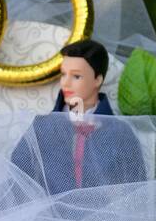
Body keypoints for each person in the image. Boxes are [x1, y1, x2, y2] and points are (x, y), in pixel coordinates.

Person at [10, 39, 147, 193]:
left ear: (97, 80)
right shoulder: (42, 127)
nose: (65, 83)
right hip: (49, 207)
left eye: (76, 76)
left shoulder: (120, 132)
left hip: (104, 208)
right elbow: (16, 176)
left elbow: (136, 188)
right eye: (63, 74)